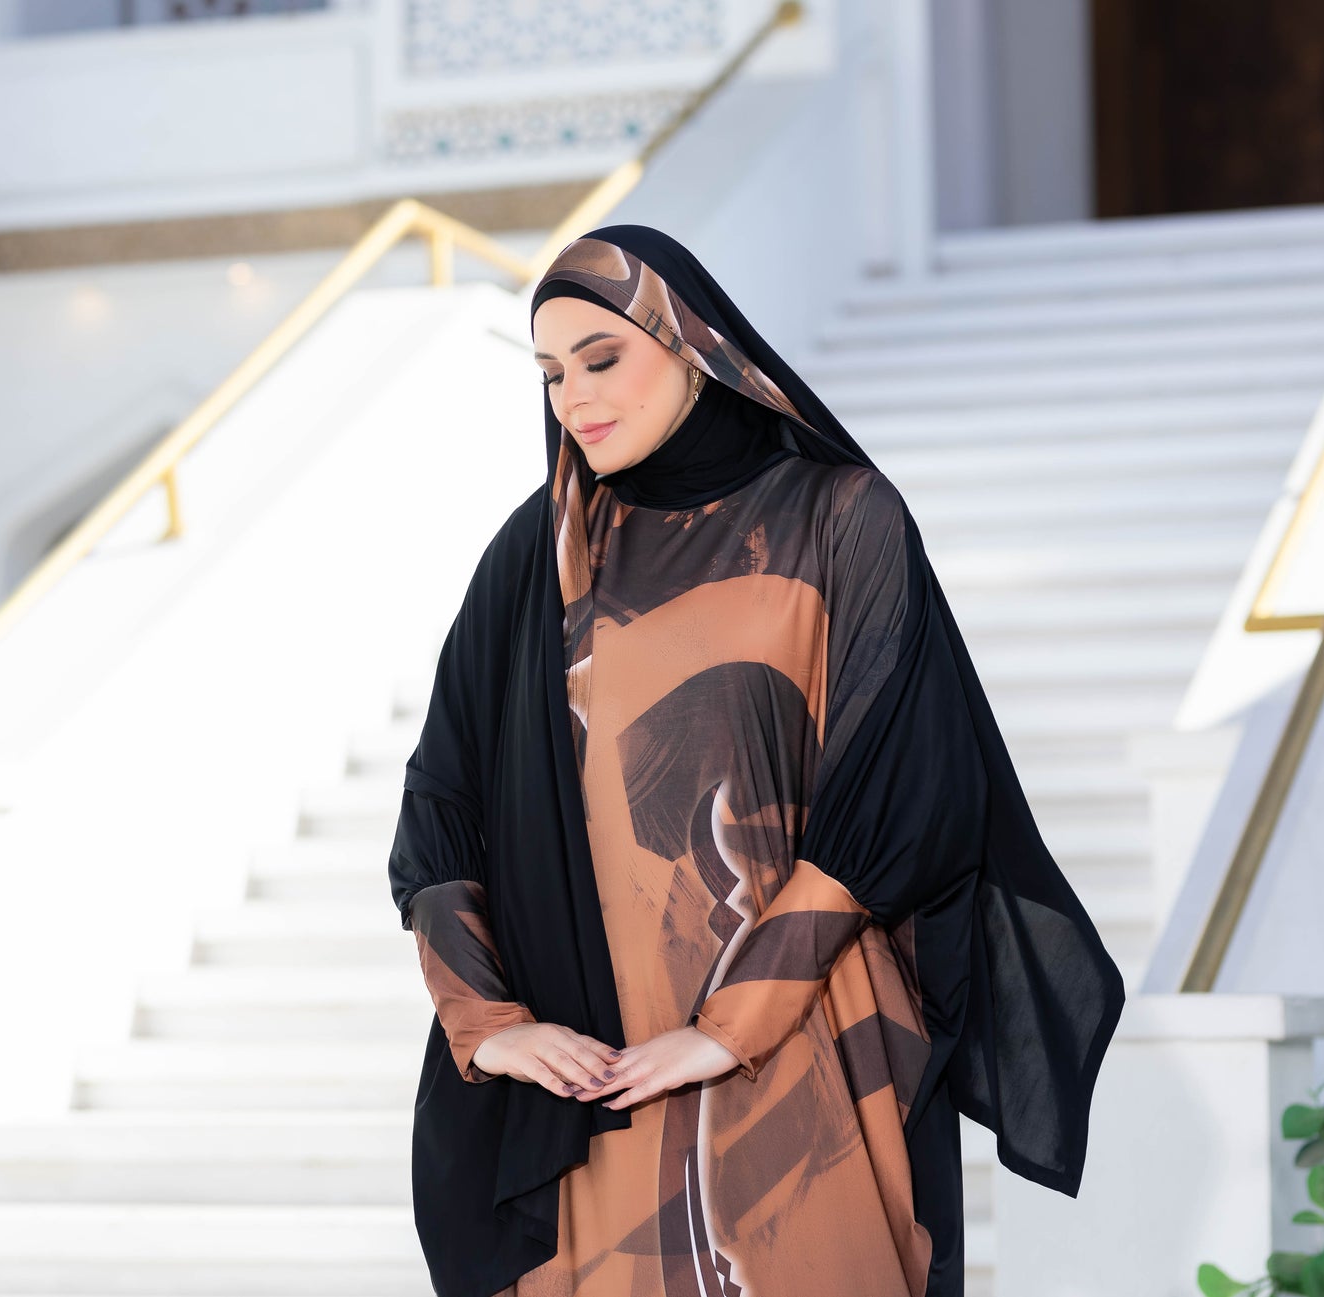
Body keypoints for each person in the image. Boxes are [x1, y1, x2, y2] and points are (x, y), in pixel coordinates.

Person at [386, 224, 1127, 1297]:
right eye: (549, 375)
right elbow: (441, 802)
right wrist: (489, 1024)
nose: (572, 400)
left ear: (690, 345)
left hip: (803, 1029)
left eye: (602, 360)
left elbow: (901, 799)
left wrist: (728, 1029)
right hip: (598, 1073)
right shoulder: (537, 553)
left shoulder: (838, 520)